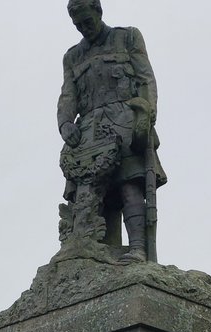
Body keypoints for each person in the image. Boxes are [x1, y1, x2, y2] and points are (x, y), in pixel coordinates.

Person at [58, 0, 166, 262]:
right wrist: (65, 123)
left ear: (98, 12)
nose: (84, 28)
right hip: (89, 136)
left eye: (87, 21)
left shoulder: (127, 37)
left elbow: (145, 79)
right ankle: (99, 254)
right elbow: (68, 95)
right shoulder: (72, 57)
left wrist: (146, 115)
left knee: (129, 187)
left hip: (124, 124)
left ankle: (138, 249)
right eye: (78, 25)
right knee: (91, 196)